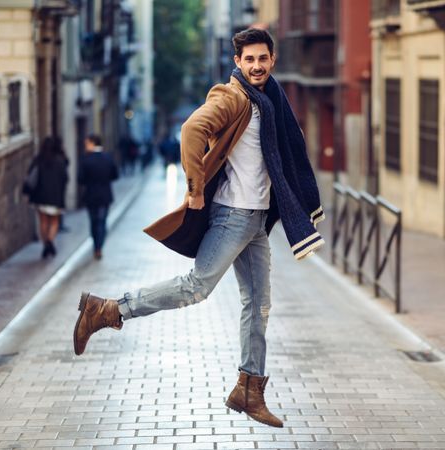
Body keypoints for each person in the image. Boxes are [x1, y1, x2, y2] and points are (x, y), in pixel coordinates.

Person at [72, 29, 325, 428]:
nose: (256, 66)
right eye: (249, 60)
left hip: (256, 220)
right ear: (238, 63)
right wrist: (193, 190)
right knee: (196, 287)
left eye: (263, 59)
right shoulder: (233, 97)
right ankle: (107, 309)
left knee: (258, 306)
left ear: (272, 60)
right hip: (233, 215)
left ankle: (248, 389)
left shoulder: (271, 100)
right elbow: (192, 130)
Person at [78, 134, 119, 260]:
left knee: (93, 222)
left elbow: (80, 179)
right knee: (102, 222)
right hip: (105, 195)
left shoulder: (86, 159)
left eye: (87, 143)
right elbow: (115, 175)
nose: (85, 146)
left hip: (90, 195)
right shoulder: (108, 158)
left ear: (92, 143)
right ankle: (99, 248)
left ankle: (96, 245)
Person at [27, 136, 68, 258]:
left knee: (43, 221)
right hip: (55, 197)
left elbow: (30, 175)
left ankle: (46, 244)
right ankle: (50, 241)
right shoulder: (60, 161)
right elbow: (65, 179)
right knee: (54, 221)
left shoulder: (38, 160)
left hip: (40, 197)